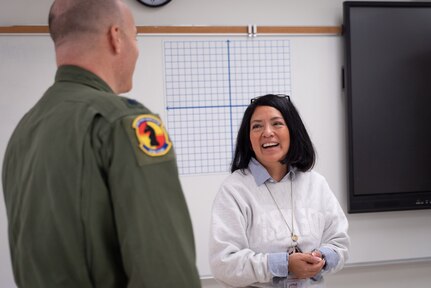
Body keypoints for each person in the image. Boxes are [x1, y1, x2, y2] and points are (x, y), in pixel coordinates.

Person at [1, 0, 201, 287]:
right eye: (136, 36)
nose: (136, 48)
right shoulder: (123, 122)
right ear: (115, 37)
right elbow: (165, 273)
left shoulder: (24, 132)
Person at [209, 94, 349, 287]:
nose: (267, 132)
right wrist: (284, 264)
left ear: (292, 131)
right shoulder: (234, 190)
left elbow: (339, 244)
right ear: (249, 139)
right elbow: (223, 264)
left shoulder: (316, 184)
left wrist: (321, 257)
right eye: (257, 126)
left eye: (277, 123)